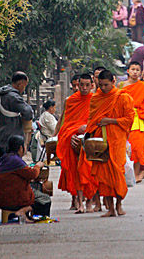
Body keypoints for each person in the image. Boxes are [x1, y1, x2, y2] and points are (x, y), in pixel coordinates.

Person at [79, 70, 134, 217]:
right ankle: (110, 208)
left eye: (106, 85)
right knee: (104, 176)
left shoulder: (123, 97)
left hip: (117, 140)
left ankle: (119, 204)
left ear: (113, 82)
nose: (103, 88)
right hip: (100, 141)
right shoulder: (96, 98)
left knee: (117, 171)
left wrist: (110, 121)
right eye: (101, 85)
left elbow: (129, 120)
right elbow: (91, 119)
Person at [56, 73, 94, 213]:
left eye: (87, 85)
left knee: (88, 168)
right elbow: (66, 122)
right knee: (75, 169)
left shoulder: (95, 100)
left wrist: (86, 128)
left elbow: (96, 121)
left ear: (92, 85)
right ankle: (79, 202)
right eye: (81, 85)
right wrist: (73, 131)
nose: (84, 88)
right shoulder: (71, 100)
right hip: (72, 137)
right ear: (77, 85)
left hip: (89, 137)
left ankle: (89, 201)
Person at [0, 135, 51, 220]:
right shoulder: (15, 160)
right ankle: (24, 211)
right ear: (20, 148)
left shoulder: (5, 158)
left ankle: (26, 216)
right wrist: (38, 166)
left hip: (2, 200)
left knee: (34, 189)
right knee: (45, 199)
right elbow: (32, 174)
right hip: (12, 200)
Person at [118, 61, 144, 183]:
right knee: (124, 147)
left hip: (139, 119)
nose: (135, 72)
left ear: (140, 73)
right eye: (133, 69)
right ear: (128, 71)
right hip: (124, 118)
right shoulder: (121, 86)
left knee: (137, 148)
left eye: (137, 70)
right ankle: (124, 172)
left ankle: (137, 173)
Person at [0, 72, 33, 157]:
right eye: (24, 86)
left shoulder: (3, 93)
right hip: (11, 139)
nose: (24, 89)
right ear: (20, 84)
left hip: (2, 136)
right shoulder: (13, 97)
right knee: (12, 166)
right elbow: (28, 112)